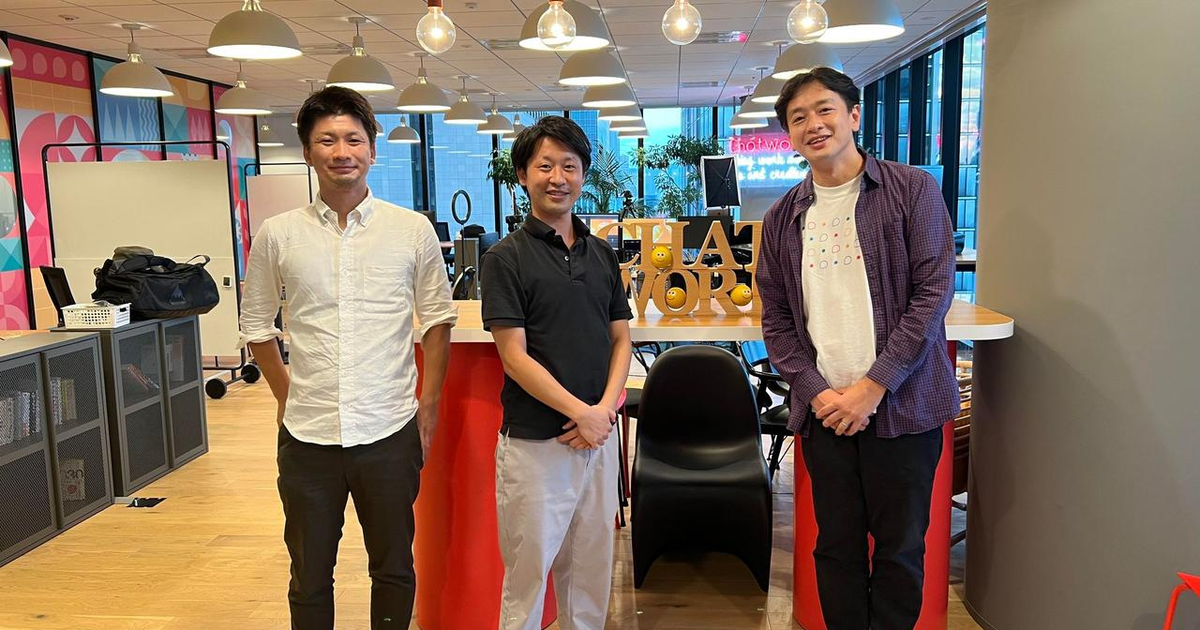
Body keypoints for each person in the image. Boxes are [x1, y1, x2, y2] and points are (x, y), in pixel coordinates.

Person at [239, 86, 456, 630]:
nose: (342, 152)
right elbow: (256, 326)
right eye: (327, 140)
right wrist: (288, 397)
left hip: (389, 429)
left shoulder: (411, 230)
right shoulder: (278, 235)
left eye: (354, 140)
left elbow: (437, 321)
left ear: (372, 150)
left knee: (394, 568)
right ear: (307, 152)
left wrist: (428, 406)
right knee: (309, 574)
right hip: (307, 437)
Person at [757, 67, 959, 630]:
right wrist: (818, 393)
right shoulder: (782, 218)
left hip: (904, 407)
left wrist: (872, 388)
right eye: (798, 118)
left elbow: (932, 296)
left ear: (853, 115)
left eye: (824, 109)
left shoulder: (911, 190)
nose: (813, 125)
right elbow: (777, 320)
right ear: (789, 135)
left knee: (900, 550)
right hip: (827, 415)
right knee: (836, 548)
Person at [480, 115, 633, 630]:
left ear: (583, 175)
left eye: (569, 166)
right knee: (528, 577)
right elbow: (514, 357)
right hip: (536, 443)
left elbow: (620, 340)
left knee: (590, 570)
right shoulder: (504, 259)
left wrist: (602, 412)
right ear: (523, 175)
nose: (558, 178)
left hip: (598, 438)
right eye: (545, 166)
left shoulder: (602, 253)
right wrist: (580, 414)